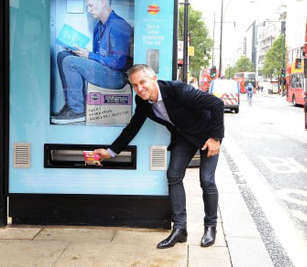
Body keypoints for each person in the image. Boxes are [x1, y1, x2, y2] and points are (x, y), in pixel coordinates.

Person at [94, 64, 224, 249]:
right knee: (173, 176)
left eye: (142, 82)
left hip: (206, 134)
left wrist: (215, 138)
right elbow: (133, 126)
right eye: (134, 85)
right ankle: (180, 229)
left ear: (153, 78)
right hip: (184, 137)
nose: (139, 88)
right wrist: (110, 151)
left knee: (207, 180)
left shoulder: (178, 90)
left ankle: (210, 227)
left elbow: (217, 104)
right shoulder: (143, 102)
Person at [52, 0, 133, 124]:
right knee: (63, 55)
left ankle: (77, 111)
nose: (88, 10)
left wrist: (88, 55)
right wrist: (80, 52)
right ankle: (71, 106)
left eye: (90, 5)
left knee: (69, 62)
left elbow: (117, 63)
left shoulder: (118, 25)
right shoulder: (99, 26)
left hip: (117, 77)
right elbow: (99, 57)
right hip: (106, 71)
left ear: (102, 3)